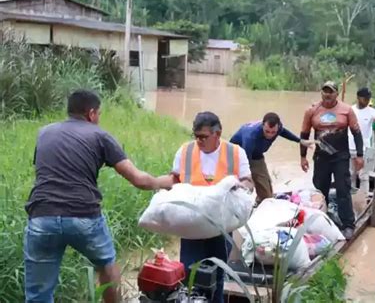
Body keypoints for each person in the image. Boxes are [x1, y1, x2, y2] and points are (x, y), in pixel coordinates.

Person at [24, 89, 163, 303]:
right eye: (98, 114)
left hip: (42, 216)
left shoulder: (44, 132)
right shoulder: (100, 135)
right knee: (107, 264)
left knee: (38, 295)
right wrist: (166, 182)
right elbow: (139, 180)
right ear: (91, 113)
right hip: (83, 216)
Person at [154, 111, 253, 303]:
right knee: (189, 272)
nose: (199, 141)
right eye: (196, 136)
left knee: (217, 274)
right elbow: (174, 178)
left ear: (218, 133)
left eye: (204, 137)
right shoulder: (185, 151)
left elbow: (248, 181)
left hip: (221, 225)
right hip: (191, 225)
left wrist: (240, 187)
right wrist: (156, 184)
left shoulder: (235, 152)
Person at [299, 81, 365, 240]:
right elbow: (304, 135)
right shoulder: (312, 111)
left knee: (343, 189)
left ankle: (348, 224)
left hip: (341, 157)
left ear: (336, 93)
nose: (328, 95)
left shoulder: (347, 110)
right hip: (321, 157)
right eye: (325, 91)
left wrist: (360, 155)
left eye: (331, 92)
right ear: (321, 93)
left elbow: (356, 133)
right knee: (320, 190)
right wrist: (303, 157)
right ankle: (322, 223)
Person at [230, 112, 314, 204]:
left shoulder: (278, 128)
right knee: (245, 186)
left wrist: (300, 141)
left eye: (273, 132)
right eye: (267, 131)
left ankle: (260, 202)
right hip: (238, 154)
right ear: (262, 126)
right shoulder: (251, 136)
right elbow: (246, 160)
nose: (270, 135)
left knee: (267, 191)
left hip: (256, 153)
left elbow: (284, 132)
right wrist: (248, 177)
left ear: (278, 127)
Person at [348, 88, 375, 196]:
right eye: (364, 98)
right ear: (358, 98)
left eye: (368, 98)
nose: (366, 100)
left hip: (365, 149)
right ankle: (351, 198)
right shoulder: (350, 110)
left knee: (363, 176)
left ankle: (363, 198)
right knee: (350, 174)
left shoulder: (373, 112)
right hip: (349, 147)